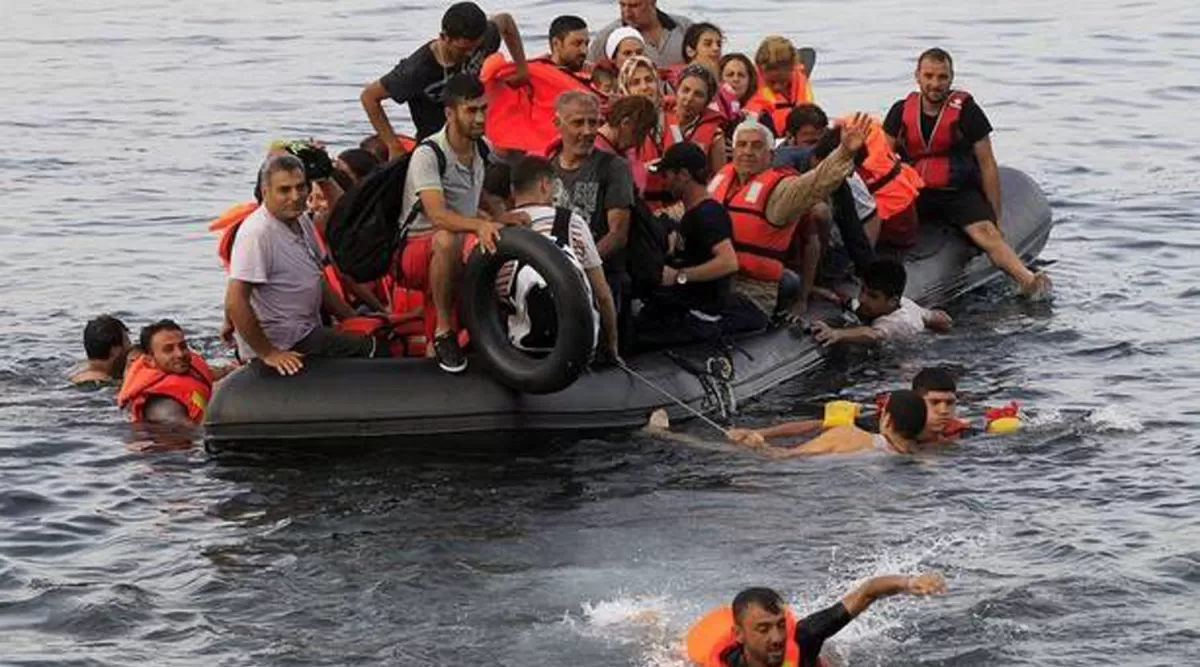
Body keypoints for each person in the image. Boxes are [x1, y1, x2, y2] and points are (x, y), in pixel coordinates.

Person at [884, 48, 1050, 295]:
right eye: (929, 76)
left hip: (957, 192)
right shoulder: (900, 111)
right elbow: (883, 159)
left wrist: (995, 216)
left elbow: (987, 165)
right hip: (916, 191)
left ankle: (1027, 280)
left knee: (986, 234)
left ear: (951, 78)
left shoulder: (967, 112)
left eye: (942, 77)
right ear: (917, 76)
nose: (935, 84)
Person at [398, 74, 525, 373]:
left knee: (479, 238)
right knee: (446, 238)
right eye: (471, 111)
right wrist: (479, 226)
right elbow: (438, 215)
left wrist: (497, 215)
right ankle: (444, 332)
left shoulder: (481, 147)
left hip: (455, 240)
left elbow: (473, 190)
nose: (480, 118)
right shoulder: (428, 154)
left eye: (483, 109)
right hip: (416, 250)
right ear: (450, 113)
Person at [226, 154, 377, 377]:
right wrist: (269, 353)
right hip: (286, 340)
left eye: (301, 187)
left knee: (376, 329)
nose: (296, 196)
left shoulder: (301, 221)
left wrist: (350, 318)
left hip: (307, 328)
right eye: (284, 190)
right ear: (265, 192)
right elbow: (235, 300)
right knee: (373, 349)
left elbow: (318, 280)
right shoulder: (257, 234)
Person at [707, 116, 868, 317]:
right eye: (742, 145)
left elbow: (816, 183)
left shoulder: (781, 190)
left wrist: (844, 153)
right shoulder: (722, 179)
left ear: (770, 155)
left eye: (756, 146)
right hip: (717, 272)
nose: (748, 152)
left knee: (792, 279)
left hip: (759, 284)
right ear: (734, 150)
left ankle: (814, 285)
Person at [634, 143, 765, 350]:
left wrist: (679, 276)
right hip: (686, 303)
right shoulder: (691, 216)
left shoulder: (707, 214)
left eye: (667, 176)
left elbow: (729, 262)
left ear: (683, 175)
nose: (664, 183)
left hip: (702, 310)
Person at [360, 2, 529, 155]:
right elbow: (369, 97)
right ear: (444, 37)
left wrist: (522, 69)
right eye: (462, 49)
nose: (470, 54)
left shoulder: (481, 40)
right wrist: (393, 145)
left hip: (472, 134)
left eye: (474, 48)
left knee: (514, 153)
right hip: (435, 145)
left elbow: (505, 21)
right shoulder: (416, 71)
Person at [688, 574, 946, 667]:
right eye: (763, 629)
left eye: (779, 624)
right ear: (739, 635)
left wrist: (909, 582)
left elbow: (868, 591)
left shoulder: (804, 637)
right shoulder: (723, 661)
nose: (777, 637)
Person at [504, 156, 621, 361]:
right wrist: (611, 346)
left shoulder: (498, 231)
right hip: (575, 352)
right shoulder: (571, 223)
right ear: (545, 185)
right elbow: (602, 294)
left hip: (519, 355)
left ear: (513, 191)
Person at [726, 366, 966, 447]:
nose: (944, 411)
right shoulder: (878, 424)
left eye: (950, 404)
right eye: (935, 403)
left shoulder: (959, 436)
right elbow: (815, 426)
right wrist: (760, 433)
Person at [549, 91, 637, 287]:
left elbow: (618, 235)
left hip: (602, 281)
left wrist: (580, 267)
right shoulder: (547, 169)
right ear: (557, 124)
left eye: (593, 122)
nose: (588, 131)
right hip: (555, 280)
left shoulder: (614, 167)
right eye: (578, 123)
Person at [735, 389, 929, 457]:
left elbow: (784, 457)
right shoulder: (921, 456)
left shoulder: (850, 435)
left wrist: (759, 443)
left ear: (886, 418)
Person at [811, 259, 952, 347]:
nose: (862, 299)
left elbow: (872, 334)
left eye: (872, 296)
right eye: (862, 291)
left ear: (892, 301)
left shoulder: (895, 323)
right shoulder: (904, 303)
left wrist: (837, 334)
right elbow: (941, 319)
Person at [116, 320, 234, 425]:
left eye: (183, 346)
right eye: (168, 350)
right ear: (150, 360)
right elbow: (199, 435)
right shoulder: (164, 407)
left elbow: (208, 374)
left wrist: (231, 370)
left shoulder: (184, 367)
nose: (180, 354)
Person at [589, 0, 693, 69]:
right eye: (622, 5)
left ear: (652, 2)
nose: (627, 13)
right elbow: (589, 72)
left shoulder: (684, 27)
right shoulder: (606, 37)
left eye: (634, 6)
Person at [746, 36, 815, 138]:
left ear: (793, 69)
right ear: (760, 70)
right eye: (772, 82)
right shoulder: (747, 84)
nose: (777, 87)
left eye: (783, 82)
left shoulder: (800, 80)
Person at [596, 94, 660, 195]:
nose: (638, 142)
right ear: (625, 123)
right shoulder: (590, 152)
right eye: (639, 134)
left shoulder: (628, 151)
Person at [70, 315, 133, 386]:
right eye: (128, 342)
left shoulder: (75, 372)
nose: (131, 348)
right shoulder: (111, 385)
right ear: (115, 351)